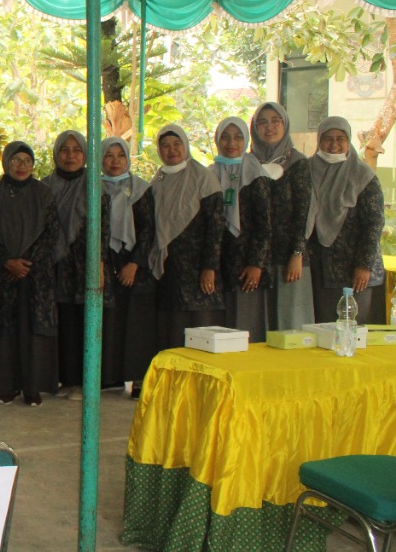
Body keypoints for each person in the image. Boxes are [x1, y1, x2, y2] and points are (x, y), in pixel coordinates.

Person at [0, 141, 58, 406]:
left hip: (35, 276)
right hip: (3, 276)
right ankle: (6, 386)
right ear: (6, 163)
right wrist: (7, 261)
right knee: (5, 332)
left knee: (32, 332)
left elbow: (51, 234)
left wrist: (25, 264)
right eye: (16, 160)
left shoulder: (44, 193)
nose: (22, 166)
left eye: (27, 160)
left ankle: (33, 386)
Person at [43, 129, 105, 399]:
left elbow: (104, 228)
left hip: (85, 264)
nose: (70, 156)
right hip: (53, 264)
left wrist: (100, 263)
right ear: (56, 153)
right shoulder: (44, 186)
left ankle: (83, 383)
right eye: (65, 150)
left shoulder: (94, 185)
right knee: (62, 323)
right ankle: (65, 380)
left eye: (77, 150)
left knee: (84, 323)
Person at [150, 124, 225, 349]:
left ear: (186, 146)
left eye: (177, 144)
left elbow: (215, 227)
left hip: (198, 270)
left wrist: (209, 267)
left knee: (199, 330)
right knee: (172, 330)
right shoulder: (158, 181)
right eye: (165, 146)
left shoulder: (204, 178)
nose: (171, 150)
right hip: (170, 269)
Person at [308, 116, 384, 322]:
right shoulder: (306, 170)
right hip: (319, 269)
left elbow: (374, 224)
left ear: (348, 140)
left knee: (352, 332)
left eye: (340, 138)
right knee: (322, 333)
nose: (334, 144)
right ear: (319, 140)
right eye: (328, 138)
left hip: (355, 272)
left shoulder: (363, 176)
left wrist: (364, 265)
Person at [249, 102, 315, 330]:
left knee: (291, 325)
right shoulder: (248, 163)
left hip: (289, 257)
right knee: (259, 326)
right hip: (255, 260)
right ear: (254, 127)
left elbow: (303, 211)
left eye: (276, 121)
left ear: (285, 125)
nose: (269, 127)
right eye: (263, 122)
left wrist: (297, 253)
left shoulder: (298, 163)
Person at [98, 137, 156, 397]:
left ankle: (138, 380)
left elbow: (148, 231)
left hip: (136, 268)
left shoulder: (142, 189)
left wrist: (134, 264)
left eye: (120, 155)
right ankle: (108, 377)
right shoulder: (93, 189)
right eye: (108, 156)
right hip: (104, 264)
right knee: (108, 322)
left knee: (136, 325)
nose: (115, 161)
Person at [210, 116, 272, 340]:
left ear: (246, 140)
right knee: (221, 328)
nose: (231, 143)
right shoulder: (209, 175)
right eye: (225, 137)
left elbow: (264, 225)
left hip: (248, 264)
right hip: (219, 264)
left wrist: (256, 263)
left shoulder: (257, 175)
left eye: (237, 137)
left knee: (248, 326)